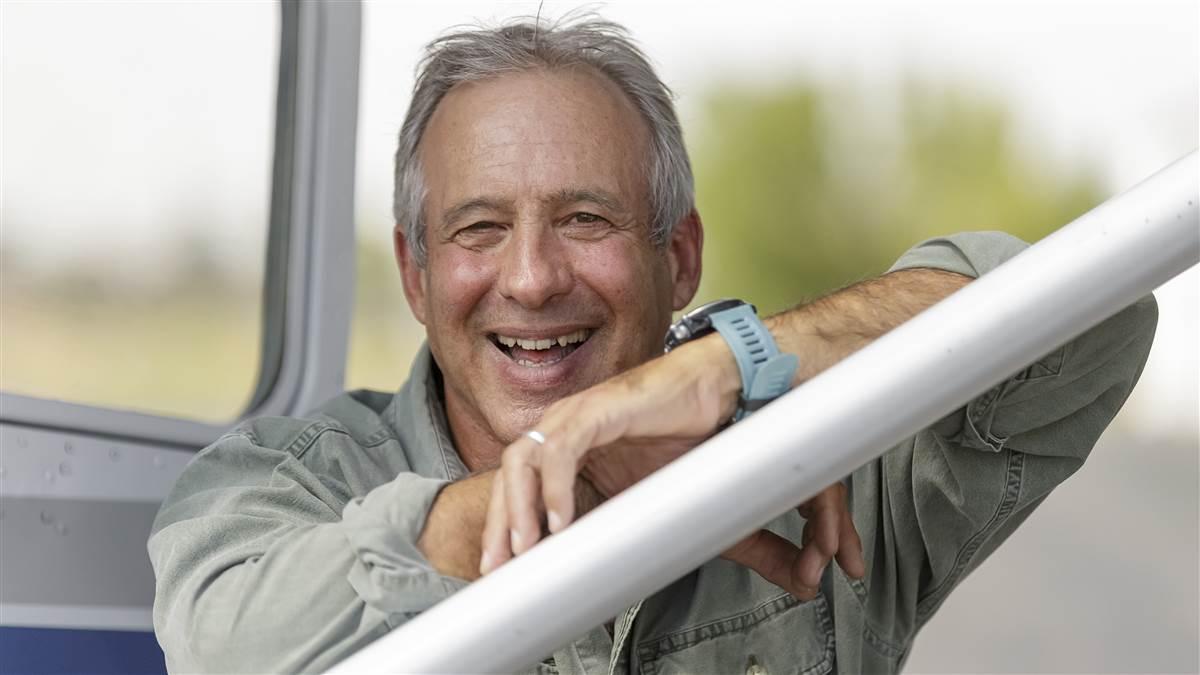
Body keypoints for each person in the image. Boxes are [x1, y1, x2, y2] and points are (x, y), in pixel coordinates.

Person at [147, 16, 1157, 674]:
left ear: (680, 260)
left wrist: (742, 365)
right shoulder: (280, 485)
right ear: (417, 276)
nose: (534, 277)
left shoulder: (822, 466)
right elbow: (223, 647)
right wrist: (570, 485)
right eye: (479, 229)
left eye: (586, 219)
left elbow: (1096, 315)